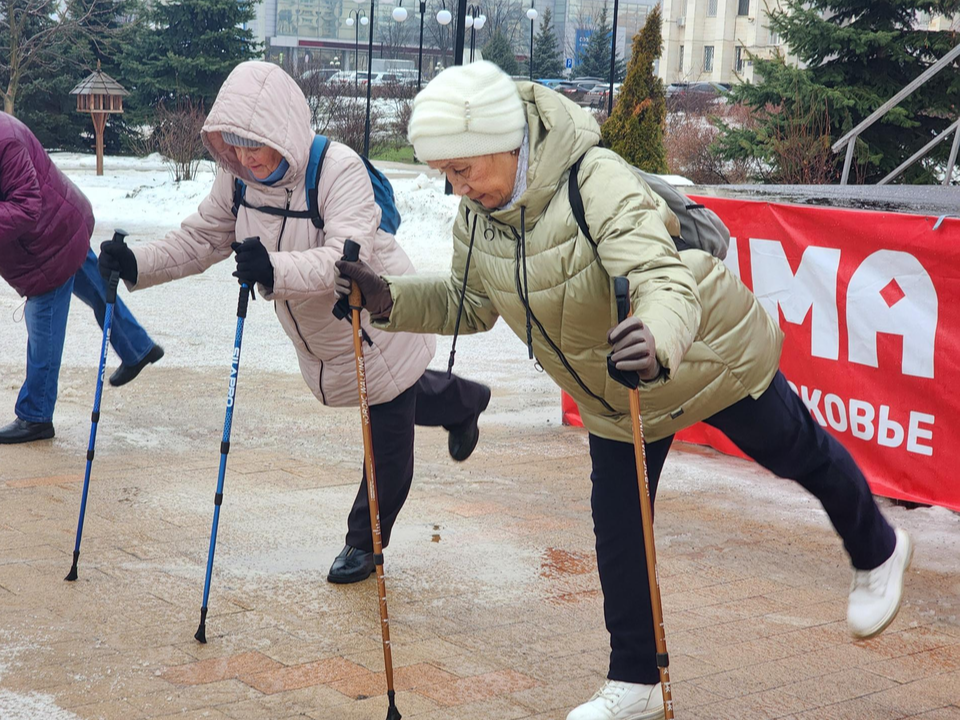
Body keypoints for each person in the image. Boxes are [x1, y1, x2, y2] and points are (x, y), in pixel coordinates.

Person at [335, 61, 912, 720]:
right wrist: (386, 299)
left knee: (800, 455)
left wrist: (659, 341)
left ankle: (880, 550)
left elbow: (661, 277)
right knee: (621, 530)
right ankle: (634, 681)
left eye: (462, 168)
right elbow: (468, 302)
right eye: (445, 172)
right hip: (619, 392)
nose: (454, 185)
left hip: (700, 358)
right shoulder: (479, 215)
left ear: (504, 140)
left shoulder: (594, 181)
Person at [98, 61, 491, 584]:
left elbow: (347, 259)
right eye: (231, 143)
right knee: (414, 394)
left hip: (374, 319)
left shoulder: (337, 170)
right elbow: (202, 238)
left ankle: (365, 543)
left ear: (280, 133)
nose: (241, 155)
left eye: (252, 143)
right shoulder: (237, 178)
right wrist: (137, 263)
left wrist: (273, 269)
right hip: (322, 337)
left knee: (387, 434)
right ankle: (466, 402)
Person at [0, 113, 163, 445]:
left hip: (48, 242)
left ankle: (36, 416)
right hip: (62, 223)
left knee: (43, 324)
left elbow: (26, 206)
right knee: (100, 291)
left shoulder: (6, 142)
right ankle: (137, 348)